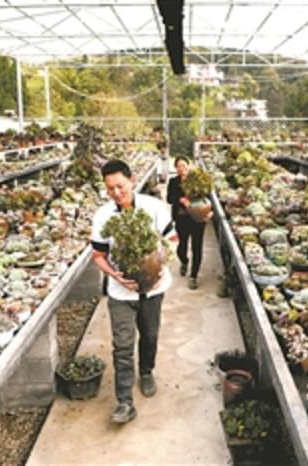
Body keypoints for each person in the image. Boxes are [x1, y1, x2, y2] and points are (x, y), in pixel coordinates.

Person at [90, 159, 177, 424]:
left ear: (132, 180)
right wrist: (114, 274)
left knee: (150, 335)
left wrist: (159, 266)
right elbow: (98, 255)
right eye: (110, 189)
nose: (116, 193)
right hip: (121, 292)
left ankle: (147, 371)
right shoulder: (103, 216)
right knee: (122, 345)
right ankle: (125, 402)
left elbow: (172, 239)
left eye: (120, 186)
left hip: (154, 288)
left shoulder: (153, 207)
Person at [166, 156, 211, 290]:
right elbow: (169, 199)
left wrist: (208, 213)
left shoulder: (197, 179)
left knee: (197, 247)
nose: (182, 168)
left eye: (184, 165)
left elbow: (206, 196)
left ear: (189, 166)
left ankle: (193, 276)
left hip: (197, 218)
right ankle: (184, 261)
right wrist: (181, 199)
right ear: (175, 168)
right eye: (179, 166)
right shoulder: (173, 182)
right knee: (182, 245)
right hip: (181, 218)